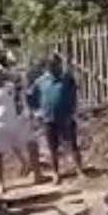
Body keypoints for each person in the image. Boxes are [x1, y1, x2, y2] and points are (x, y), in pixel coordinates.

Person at [29, 53, 85, 184]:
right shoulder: (40, 82)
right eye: (51, 65)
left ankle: (80, 170)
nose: (53, 67)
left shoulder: (67, 78)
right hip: (49, 119)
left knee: (73, 145)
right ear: (47, 67)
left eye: (55, 64)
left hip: (66, 117)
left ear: (60, 64)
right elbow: (32, 98)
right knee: (52, 148)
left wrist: (72, 111)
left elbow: (73, 95)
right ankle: (56, 174)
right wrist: (37, 112)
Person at [0, 62, 39, 194]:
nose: (0, 76)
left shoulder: (11, 87)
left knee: (31, 142)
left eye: (1, 73)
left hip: (14, 122)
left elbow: (21, 96)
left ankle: (37, 173)